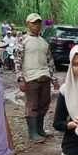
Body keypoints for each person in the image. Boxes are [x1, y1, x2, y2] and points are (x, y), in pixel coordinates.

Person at [14, 12, 59, 142]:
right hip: (31, 78)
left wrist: (54, 79)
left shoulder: (44, 42)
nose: (37, 25)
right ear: (28, 24)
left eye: (38, 22)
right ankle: (33, 133)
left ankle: (40, 130)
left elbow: (50, 62)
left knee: (44, 104)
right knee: (32, 105)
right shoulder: (23, 40)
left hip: (44, 77)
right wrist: (20, 78)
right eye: (34, 23)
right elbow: (17, 60)